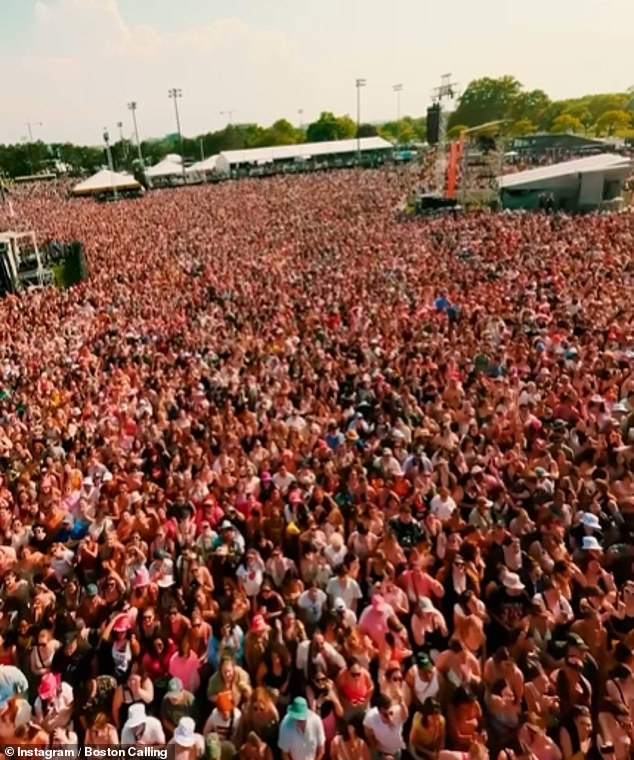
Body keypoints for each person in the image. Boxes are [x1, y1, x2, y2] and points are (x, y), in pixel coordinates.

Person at [278, 696, 325, 760]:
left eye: (301, 719)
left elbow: (321, 750)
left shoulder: (316, 721)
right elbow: (284, 753)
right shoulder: (285, 724)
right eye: (296, 718)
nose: (299, 720)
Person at [363, 693, 407, 759]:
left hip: (397, 751)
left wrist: (402, 701)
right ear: (379, 712)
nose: (390, 719)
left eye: (391, 713)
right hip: (382, 754)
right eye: (385, 715)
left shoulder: (398, 711)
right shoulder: (370, 718)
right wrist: (380, 753)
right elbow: (369, 736)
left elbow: (405, 717)